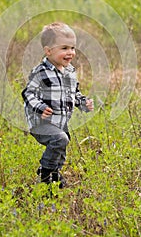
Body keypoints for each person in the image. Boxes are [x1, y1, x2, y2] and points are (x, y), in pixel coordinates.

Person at [22, 22, 93, 187]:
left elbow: (73, 94)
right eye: (64, 48)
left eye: (72, 48)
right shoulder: (40, 72)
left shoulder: (70, 72)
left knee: (62, 145)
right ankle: (46, 174)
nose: (70, 53)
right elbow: (28, 93)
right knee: (60, 139)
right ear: (48, 51)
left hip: (60, 121)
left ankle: (54, 175)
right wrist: (40, 107)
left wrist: (83, 103)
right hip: (41, 122)